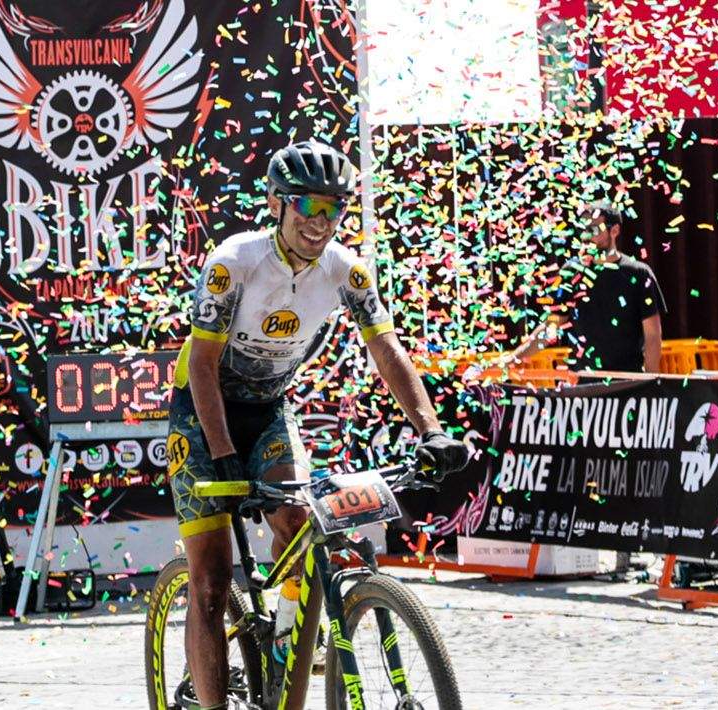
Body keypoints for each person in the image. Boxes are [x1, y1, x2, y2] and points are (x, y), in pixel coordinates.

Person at [171, 140, 470, 710]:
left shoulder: (345, 271)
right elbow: (204, 364)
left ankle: (285, 641)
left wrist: (430, 430)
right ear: (276, 203)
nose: (320, 222)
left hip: (268, 408)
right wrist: (223, 454)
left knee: (299, 522)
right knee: (210, 583)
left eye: (334, 208)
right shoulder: (234, 263)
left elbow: (387, 350)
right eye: (308, 205)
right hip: (202, 413)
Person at [513, 204, 666, 372]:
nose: (586, 236)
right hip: (584, 380)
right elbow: (552, 325)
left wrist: (650, 381)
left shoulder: (639, 273)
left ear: (614, 230)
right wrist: (513, 359)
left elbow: (652, 335)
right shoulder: (571, 272)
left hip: (627, 380)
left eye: (593, 229)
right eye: (583, 229)